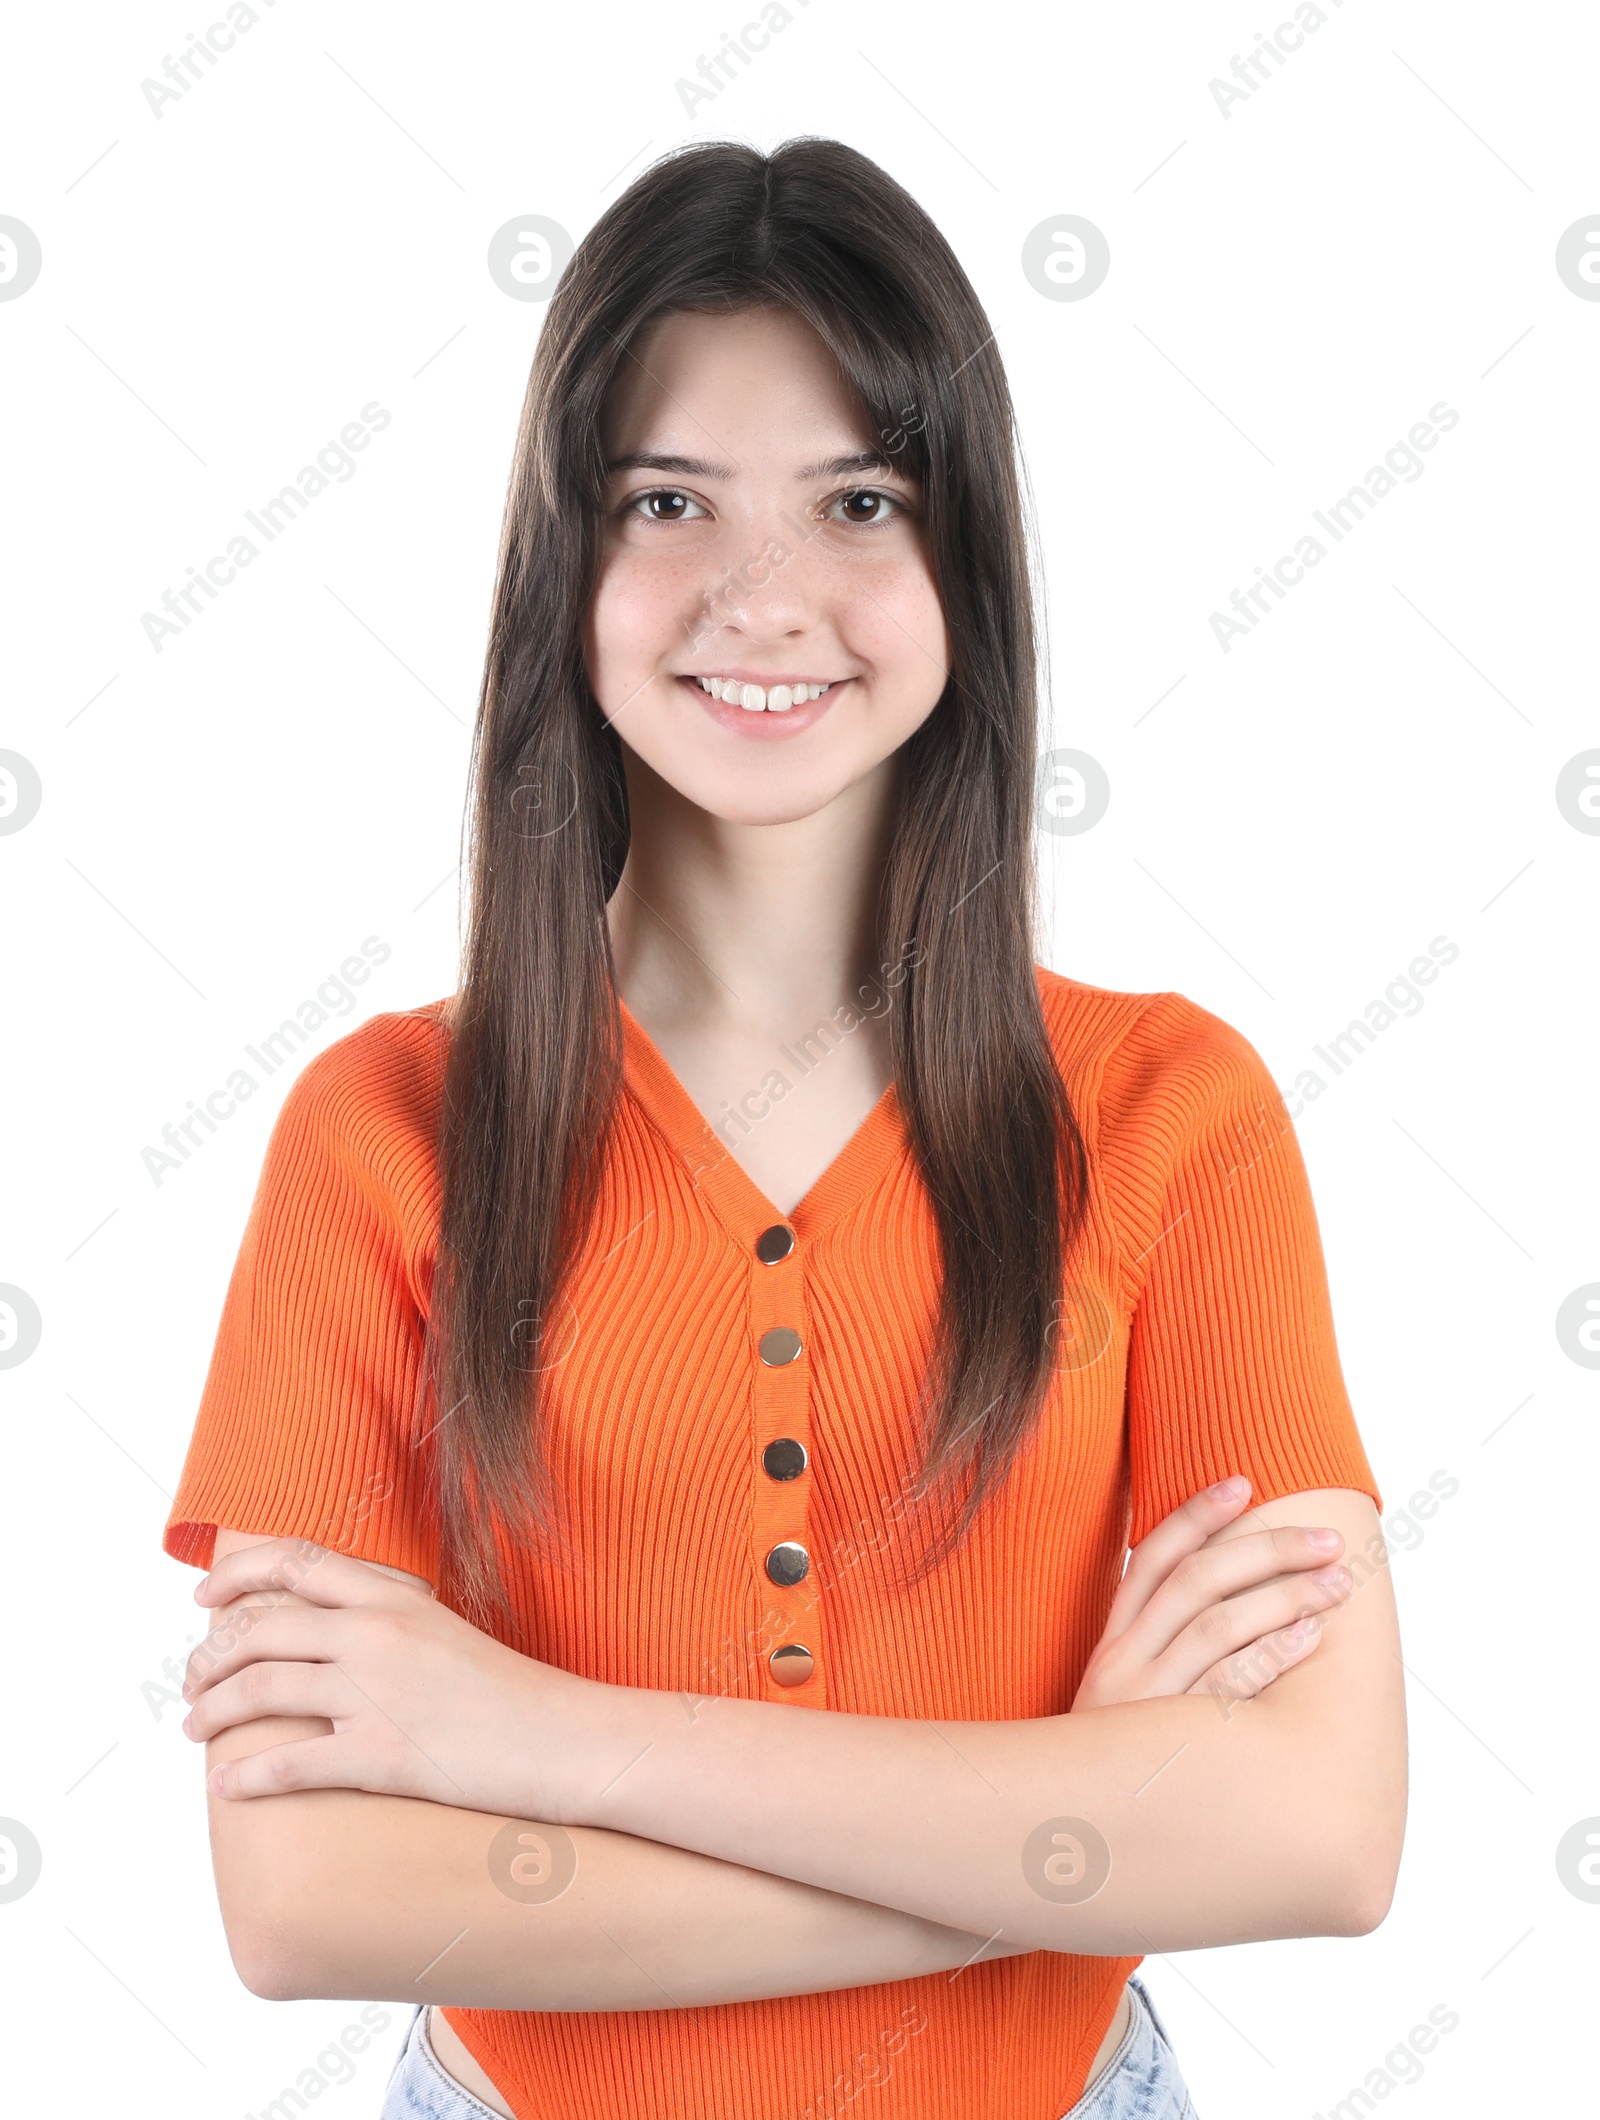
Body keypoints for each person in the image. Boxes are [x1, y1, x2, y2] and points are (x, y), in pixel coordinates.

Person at [164, 138, 1405, 2120]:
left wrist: (528, 1734)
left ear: (960, 563)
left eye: (857, 502)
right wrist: (1062, 1841)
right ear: (567, 561)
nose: (765, 596)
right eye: (670, 500)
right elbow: (305, 1891)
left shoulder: (1176, 1116)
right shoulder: (375, 1132)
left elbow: (1317, 1836)